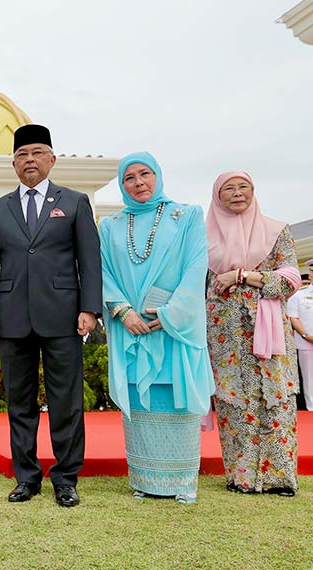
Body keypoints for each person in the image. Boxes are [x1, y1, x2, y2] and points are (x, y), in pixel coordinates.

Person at [0, 124, 101, 507]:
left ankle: (66, 479)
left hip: (63, 317)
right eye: (22, 155)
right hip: (13, 318)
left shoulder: (75, 202)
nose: (29, 160)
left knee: (66, 401)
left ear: (51, 159)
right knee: (20, 402)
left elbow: (89, 260)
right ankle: (26, 478)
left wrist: (89, 308)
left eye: (36, 152)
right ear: (13, 163)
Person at [100, 152, 215, 504]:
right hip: (130, 328)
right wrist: (123, 312)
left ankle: (182, 483)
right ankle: (145, 479)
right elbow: (102, 270)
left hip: (174, 328)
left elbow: (197, 266)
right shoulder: (110, 225)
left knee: (175, 397)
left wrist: (169, 314)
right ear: (122, 185)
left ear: (158, 175)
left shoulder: (187, 216)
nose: (138, 183)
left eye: (145, 174)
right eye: (129, 178)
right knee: (140, 399)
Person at [206, 171, 301, 496]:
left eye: (243, 187)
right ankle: (240, 477)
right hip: (225, 334)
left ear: (253, 191)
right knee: (234, 403)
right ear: (217, 196)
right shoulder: (204, 237)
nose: (236, 193)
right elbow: (198, 286)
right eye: (228, 188)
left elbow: (290, 279)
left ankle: (279, 479)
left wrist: (243, 275)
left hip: (271, 335)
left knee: (276, 401)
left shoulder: (276, 231)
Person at [289, 259, 313, 411]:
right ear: (310, 275)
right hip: (308, 343)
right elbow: (293, 317)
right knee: (311, 381)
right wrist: (306, 335)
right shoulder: (299, 295)